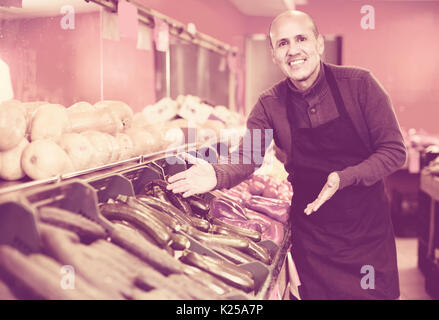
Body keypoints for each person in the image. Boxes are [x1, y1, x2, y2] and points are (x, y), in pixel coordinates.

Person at [166, 10, 407, 300]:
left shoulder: (360, 85)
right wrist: (216, 174)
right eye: (282, 43)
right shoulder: (269, 104)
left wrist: (344, 177)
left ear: (319, 44)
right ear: (274, 54)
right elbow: (248, 157)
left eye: (301, 38)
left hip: (366, 233)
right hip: (315, 237)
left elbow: (394, 151)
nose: (293, 50)